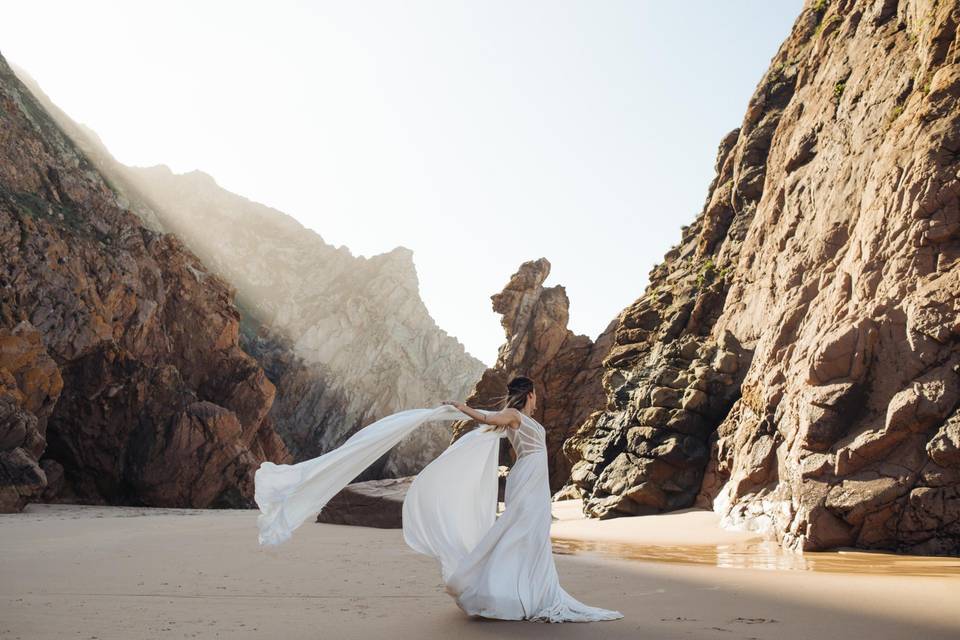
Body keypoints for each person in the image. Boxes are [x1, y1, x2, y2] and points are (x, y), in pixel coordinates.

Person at [253, 375, 623, 623]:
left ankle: (530, 593)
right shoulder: (512, 414)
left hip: (533, 480)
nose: (538, 400)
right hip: (525, 478)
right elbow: (485, 417)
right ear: (528, 395)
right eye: (536, 395)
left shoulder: (520, 417)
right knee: (518, 532)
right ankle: (508, 592)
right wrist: (460, 408)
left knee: (532, 535)